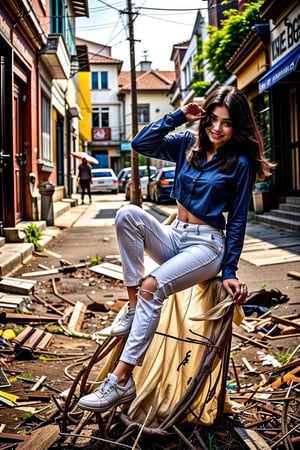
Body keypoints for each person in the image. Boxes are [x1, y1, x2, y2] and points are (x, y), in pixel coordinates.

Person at [78, 85, 276, 413]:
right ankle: (132, 308)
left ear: (237, 126)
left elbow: (238, 219)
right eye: (212, 119)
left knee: (151, 287)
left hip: (206, 245)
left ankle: (121, 381)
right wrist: (178, 116)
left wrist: (230, 271)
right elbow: (142, 144)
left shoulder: (239, 163)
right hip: (174, 236)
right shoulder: (188, 144)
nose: (216, 128)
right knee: (127, 214)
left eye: (226, 123)